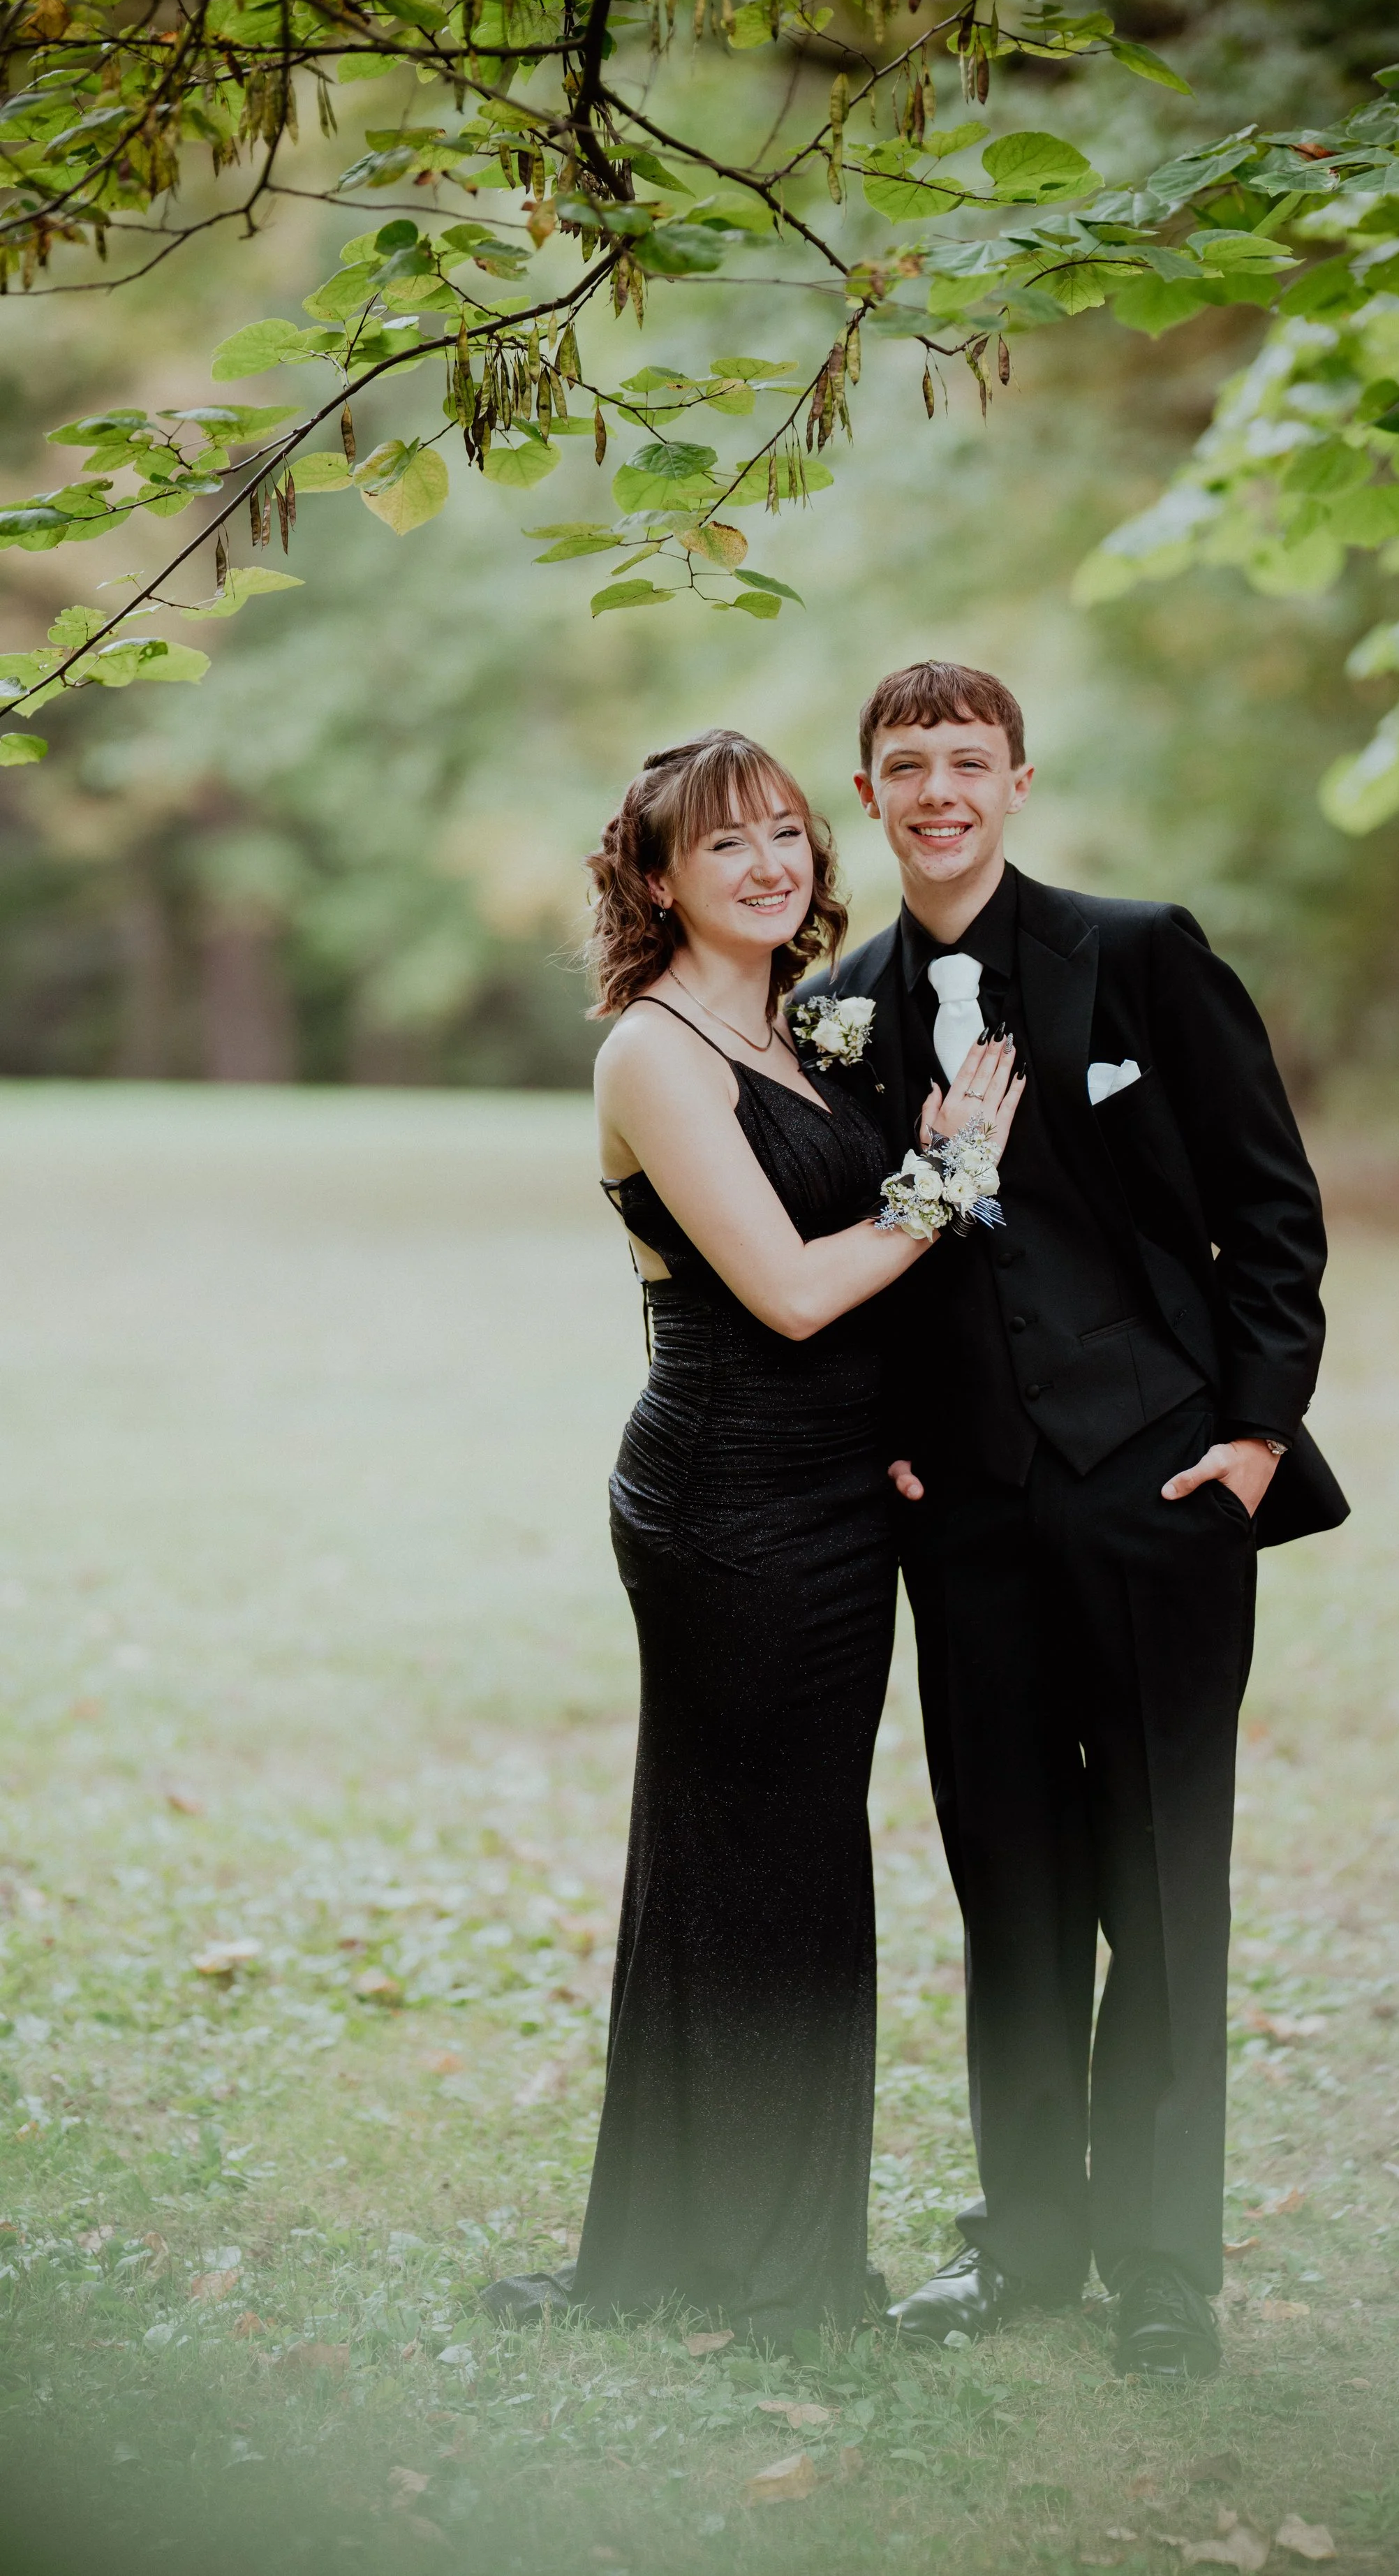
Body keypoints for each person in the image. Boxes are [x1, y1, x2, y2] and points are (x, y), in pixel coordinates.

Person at [791, 661, 1347, 2380]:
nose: (937, 789)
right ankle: (1026, 2246)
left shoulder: (1144, 950)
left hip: (1162, 1488)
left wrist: (1253, 1434)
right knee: (1011, 1889)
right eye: (905, 765)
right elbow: (837, 1255)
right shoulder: (835, 1006)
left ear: (1020, 781)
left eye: (968, 760)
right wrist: (884, 1439)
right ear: (869, 796)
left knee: (1161, 1894)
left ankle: (1164, 2264)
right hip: (963, 1523)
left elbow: (1266, 1204)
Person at [481, 728, 1024, 2346]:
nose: (770, 863)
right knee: (775, 1871)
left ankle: (691, 2237)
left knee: (748, 1864)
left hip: (835, 1490)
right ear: (656, 880)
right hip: (729, 1500)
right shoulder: (654, 1052)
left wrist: (911, 1431)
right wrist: (946, 1175)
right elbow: (789, 1293)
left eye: (785, 832)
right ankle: (780, 2277)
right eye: (725, 846)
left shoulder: (799, 1029)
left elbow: (862, 1292)